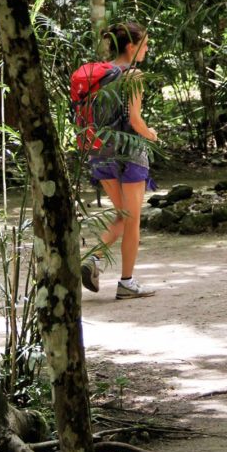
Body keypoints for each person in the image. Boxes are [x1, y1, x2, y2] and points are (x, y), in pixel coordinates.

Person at [81, 21, 158, 299]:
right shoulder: (133, 75)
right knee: (132, 219)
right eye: (145, 44)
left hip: (100, 151)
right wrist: (151, 135)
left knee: (122, 216)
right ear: (131, 46)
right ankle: (125, 281)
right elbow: (135, 120)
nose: (147, 49)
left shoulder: (99, 73)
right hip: (129, 152)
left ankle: (95, 260)